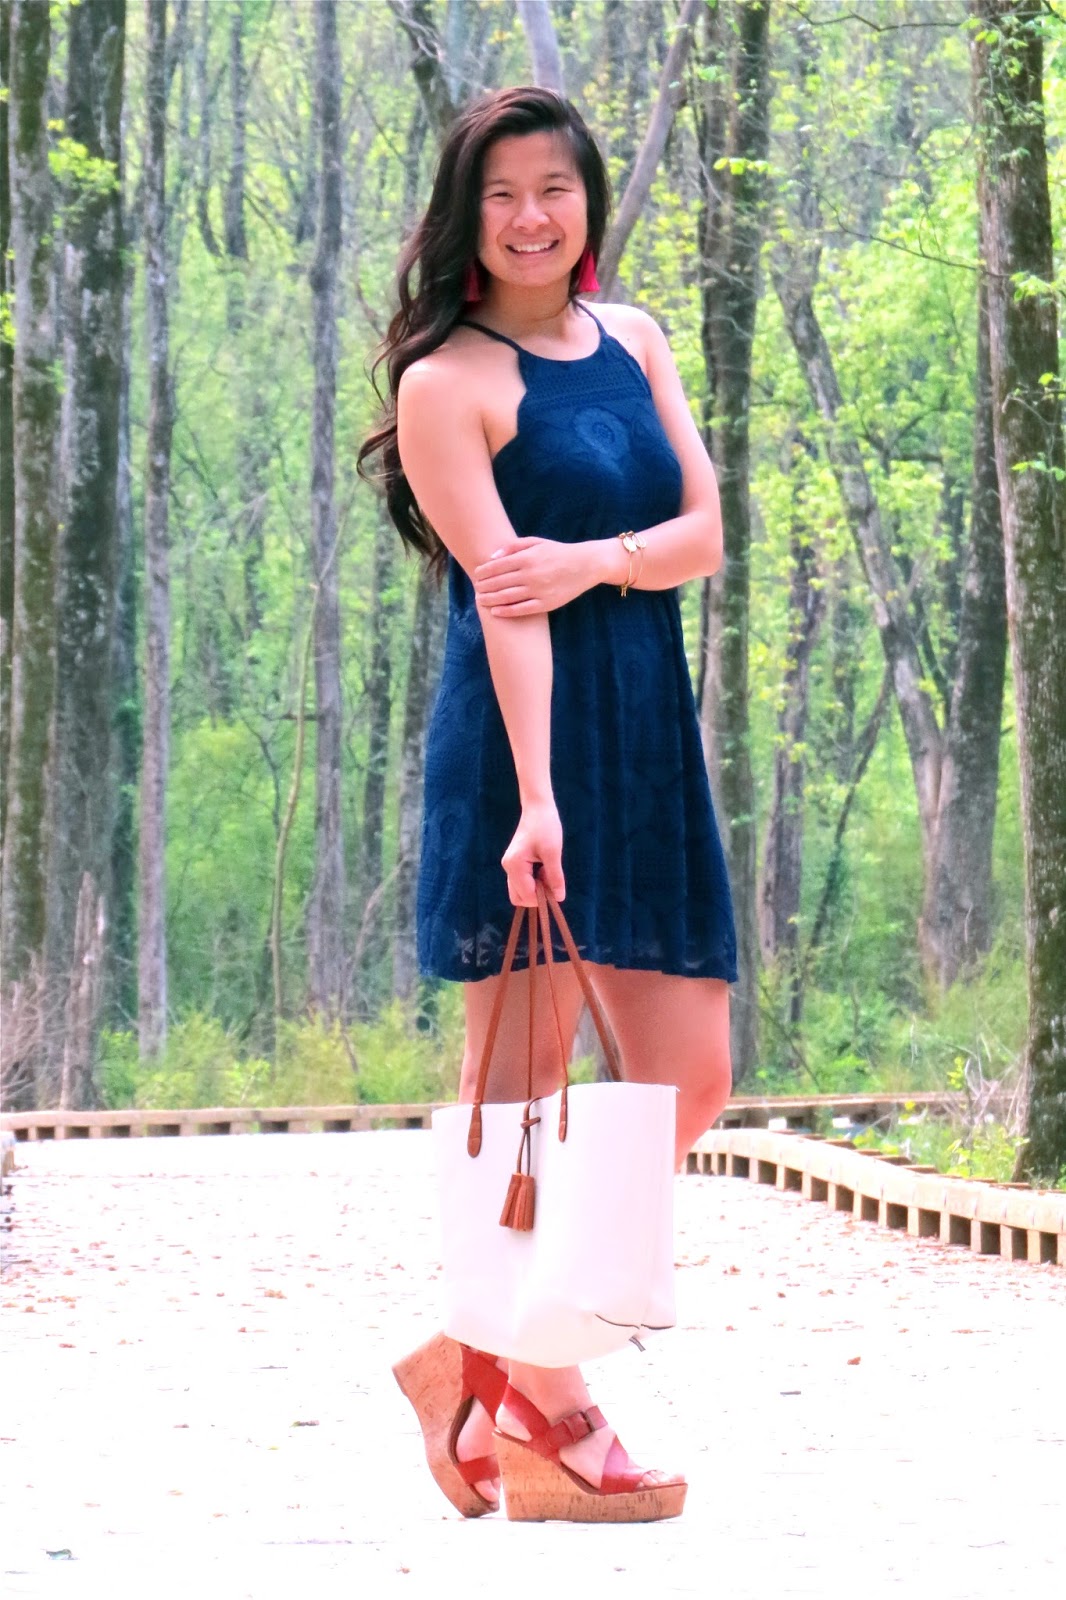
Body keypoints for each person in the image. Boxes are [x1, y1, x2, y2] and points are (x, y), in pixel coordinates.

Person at [359, 85, 736, 1525]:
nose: (531, 216)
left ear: (588, 204)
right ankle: (550, 1404)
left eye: (555, 190)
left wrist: (597, 561)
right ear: (467, 217)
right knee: (516, 1098)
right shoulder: (446, 382)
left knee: (689, 1078)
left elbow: (703, 534)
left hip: (645, 735)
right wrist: (533, 801)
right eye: (503, 193)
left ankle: (476, 1352)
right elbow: (503, 600)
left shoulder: (634, 339)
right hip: (526, 753)